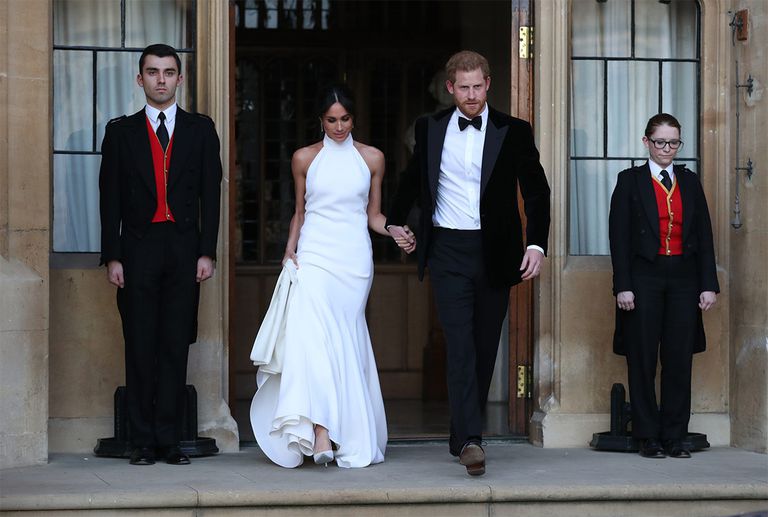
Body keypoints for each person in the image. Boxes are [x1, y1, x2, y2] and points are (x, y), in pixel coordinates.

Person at [385, 50, 551, 476]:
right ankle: (473, 441)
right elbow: (412, 180)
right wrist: (394, 222)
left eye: (478, 86)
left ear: (488, 84)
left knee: (483, 347)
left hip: (495, 252)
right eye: (464, 88)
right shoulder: (430, 127)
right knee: (459, 345)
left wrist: (536, 245)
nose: (472, 95)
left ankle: (462, 434)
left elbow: (537, 191)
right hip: (447, 250)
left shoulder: (514, 130)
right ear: (450, 88)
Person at [249, 84, 388, 469]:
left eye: (345, 119)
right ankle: (321, 430)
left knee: (343, 342)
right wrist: (289, 250)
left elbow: (374, 215)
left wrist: (394, 229)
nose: (339, 127)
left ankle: (343, 431)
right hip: (313, 255)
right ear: (320, 120)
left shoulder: (372, 158)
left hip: (353, 261)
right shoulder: (304, 158)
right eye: (331, 120)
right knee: (311, 339)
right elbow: (300, 211)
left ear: (354, 119)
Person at [99, 44, 222, 466]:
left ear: (179, 79)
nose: (161, 80)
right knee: (139, 343)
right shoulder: (121, 132)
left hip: (184, 249)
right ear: (140, 79)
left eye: (168, 72)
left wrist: (207, 252)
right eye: (153, 72)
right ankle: (141, 441)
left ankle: (169, 440)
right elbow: (109, 199)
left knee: (174, 343)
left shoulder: (200, 130)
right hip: (138, 248)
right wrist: (113, 256)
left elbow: (211, 196)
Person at [609, 113, 719, 459]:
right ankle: (648, 436)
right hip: (644, 277)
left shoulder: (690, 181)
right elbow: (619, 238)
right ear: (646, 142)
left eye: (674, 143)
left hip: (685, 278)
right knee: (642, 357)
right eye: (660, 142)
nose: (667, 149)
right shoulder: (629, 181)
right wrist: (623, 285)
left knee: (679, 358)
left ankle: (674, 435)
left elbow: (704, 235)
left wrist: (708, 284)